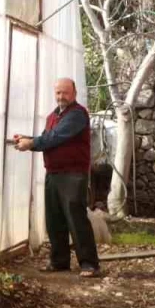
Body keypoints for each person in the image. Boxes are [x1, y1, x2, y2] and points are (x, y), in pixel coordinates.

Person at [13, 78, 100, 278]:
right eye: (58, 93)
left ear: (74, 94)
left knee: (76, 218)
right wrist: (26, 139)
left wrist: (31, 143)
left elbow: (56, 137)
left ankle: (89, 264)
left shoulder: (77, 114)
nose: (61, 97)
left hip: (73, 174)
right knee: (55, 220)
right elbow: (47, 138)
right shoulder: (53, 116)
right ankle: (59, 261)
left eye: (65, 93)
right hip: (54, 173)